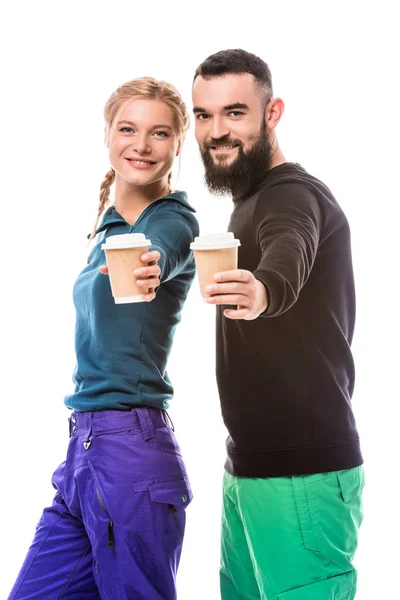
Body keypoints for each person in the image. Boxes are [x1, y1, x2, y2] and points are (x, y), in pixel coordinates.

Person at [9, 77, 198, 600]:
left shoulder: (174, 221)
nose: (142, 144)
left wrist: (149, 264)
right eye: (128, 128)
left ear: (178, 144)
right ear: (108, 134)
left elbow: (160, 249)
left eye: (160, 133)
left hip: (131, 453)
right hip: (82, 452)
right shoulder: (108, 226)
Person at [192, 49, 364, 599]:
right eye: (203, 115)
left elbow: (291, 249)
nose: (217, 131)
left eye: (235, 113)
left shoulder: (291, 194)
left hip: (302, 475)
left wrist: (264, 289)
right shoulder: (251, 201)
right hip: (251, 467)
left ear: (273, 113)